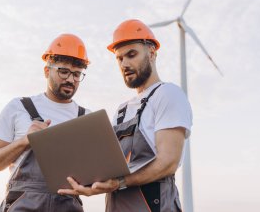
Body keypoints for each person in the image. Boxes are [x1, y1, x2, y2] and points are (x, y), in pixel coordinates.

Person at [58, 19, 193, 212]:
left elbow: (167, 162)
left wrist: (119, 183)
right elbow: (109, 168)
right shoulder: (121, 111)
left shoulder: (168, 94)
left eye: (131, 55)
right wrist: (87, 181)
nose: (125, 64)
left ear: (152, 53)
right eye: (120, 58)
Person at [0, 34, 91, 212]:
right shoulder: (19, 107)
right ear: (47, 71)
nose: (71, 79)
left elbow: (96, 177)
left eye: (77, 74)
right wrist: (24, 141)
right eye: (64, 71)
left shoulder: (87, 119)